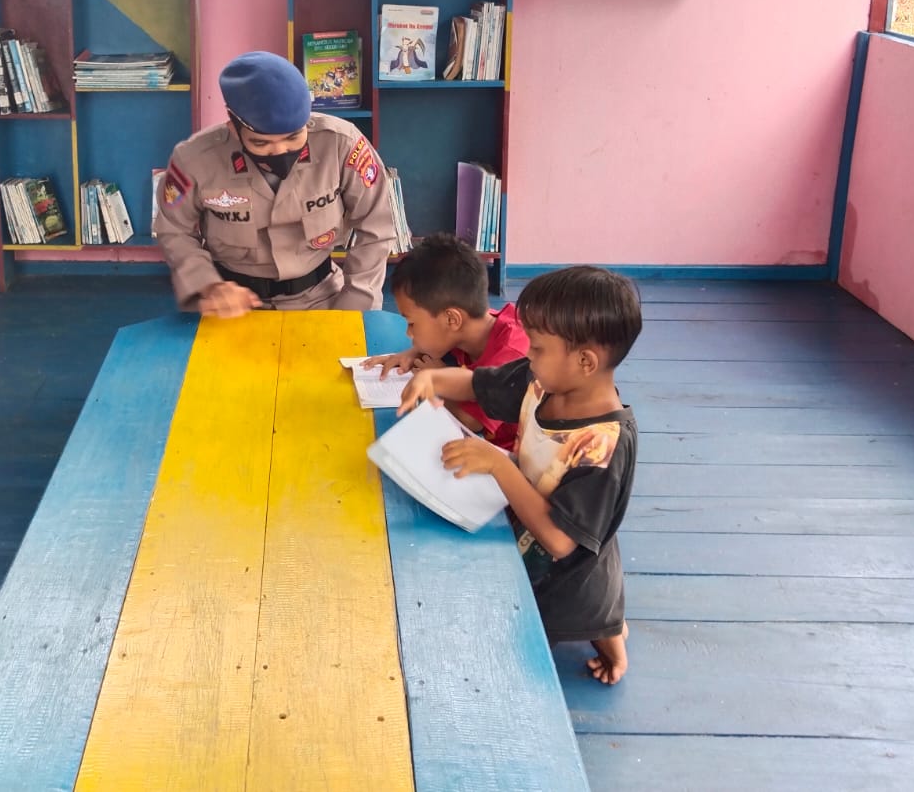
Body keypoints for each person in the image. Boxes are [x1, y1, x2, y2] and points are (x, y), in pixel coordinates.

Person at [398, 265, 641, 685]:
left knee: (584, 618)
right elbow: (477, 385)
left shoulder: (601, 445)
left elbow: (562, 541)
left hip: (568, 575)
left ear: (585, 361)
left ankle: (613, 635)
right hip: (524, 528)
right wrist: (433, 377)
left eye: (539, 347)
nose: (528, 353)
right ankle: (609, 628)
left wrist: (498, 465)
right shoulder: (543, 381)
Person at [155, 51, 396, 317]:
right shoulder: (194, 159)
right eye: (261, 143)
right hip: (232, 305)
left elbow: (376, 226)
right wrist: (208, 286)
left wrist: (354, 306)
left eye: (294, 137)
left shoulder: (341, 144)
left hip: (323, 298)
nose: (280, 151)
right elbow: (175, 230)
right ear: (234, 126)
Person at [361, 232, 529, 449]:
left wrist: (435, 379)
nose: (408, 334)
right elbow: (442, 339)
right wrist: (411, 353)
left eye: (412, 324)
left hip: (508, 456)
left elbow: (472, 422)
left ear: (451, 319)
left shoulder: (511, 352)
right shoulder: (472, 326)